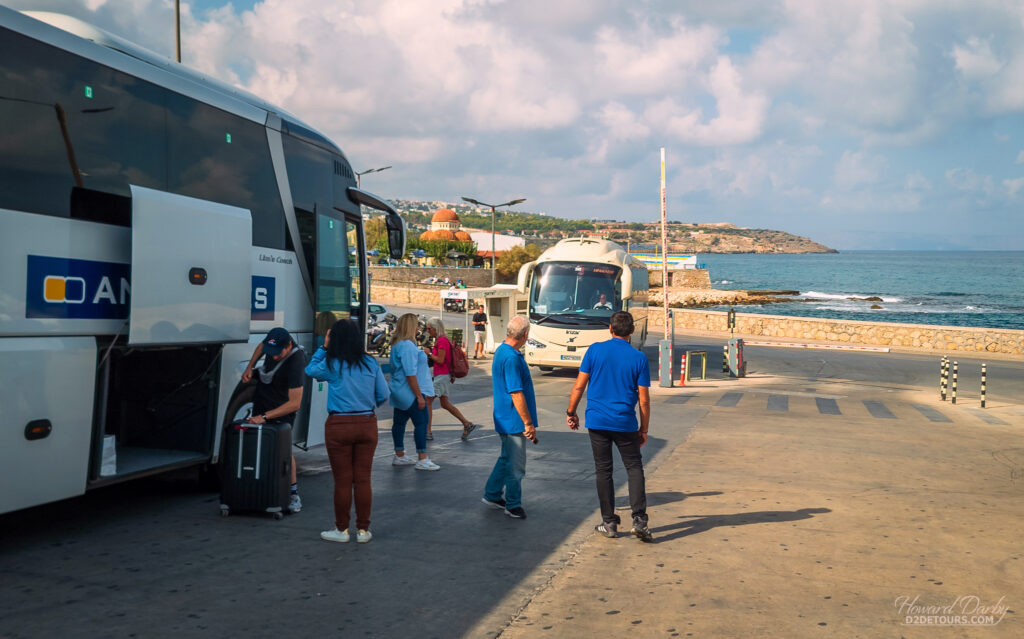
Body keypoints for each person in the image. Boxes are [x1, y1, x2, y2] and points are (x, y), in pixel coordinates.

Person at [566, 311, 652, 541]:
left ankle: (609, 523)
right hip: (625, 422)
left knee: (604, 470)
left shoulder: (594, 350)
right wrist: (644, 429)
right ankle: (639, 519)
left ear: (610, 329)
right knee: (634, 467)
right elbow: (643, 399)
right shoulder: (639, 358)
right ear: (632, 331)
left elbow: (579, 386)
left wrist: (571, 412)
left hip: (597, 421)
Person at [305, 319, 388, 544]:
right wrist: (367, 406)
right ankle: (363, 530)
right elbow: (383, 394)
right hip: (366, 423)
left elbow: (310, 369)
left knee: (342, 480)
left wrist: (324, 347)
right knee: (363, 479)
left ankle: (341, 530)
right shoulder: (370, 363)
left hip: (339, 425)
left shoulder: (332, 364)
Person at [241, 327, 305, 513]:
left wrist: (265, 417)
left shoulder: (295, 362)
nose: (274, 356)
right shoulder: (272, 344)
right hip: (263, 401)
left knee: (283, 451)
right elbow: (262, 346)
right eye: (272, 353)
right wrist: (250, 367)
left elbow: (295, 403)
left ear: (289, 346)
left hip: (281, 410)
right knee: (258, 448)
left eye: (278, 354)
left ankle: (293, 495)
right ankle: (257, 490)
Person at [482, 315, 537, 520]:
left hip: (504, 416)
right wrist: (528, 422)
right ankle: (513, 504)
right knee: (516, 464)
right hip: (513, 420)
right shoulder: (512, 358)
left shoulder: (503, 351)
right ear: (525, 334)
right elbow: (516, 392)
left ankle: (492, 494)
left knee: (506, 458)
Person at [388, 313, 439, 470]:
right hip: (409, 391)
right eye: (416, 324)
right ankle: (422, 458)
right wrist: (419, 396)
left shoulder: (397, 344)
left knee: (399, 422)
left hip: (398, 390)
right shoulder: (408, 346)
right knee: (421, 422)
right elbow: (410, 373)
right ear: (411, 326)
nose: (418, 328)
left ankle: (399, 454)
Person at [423, 317, 483, 441]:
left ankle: (427, 431)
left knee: (428, 400)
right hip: (443, 375)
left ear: (436, 328)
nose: (428, 331)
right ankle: (467, 424)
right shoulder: (442, 340)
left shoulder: (442, 341)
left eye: (429, 328)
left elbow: (440, 360)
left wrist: (428, 353)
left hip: (442, 375)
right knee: (444, 403)